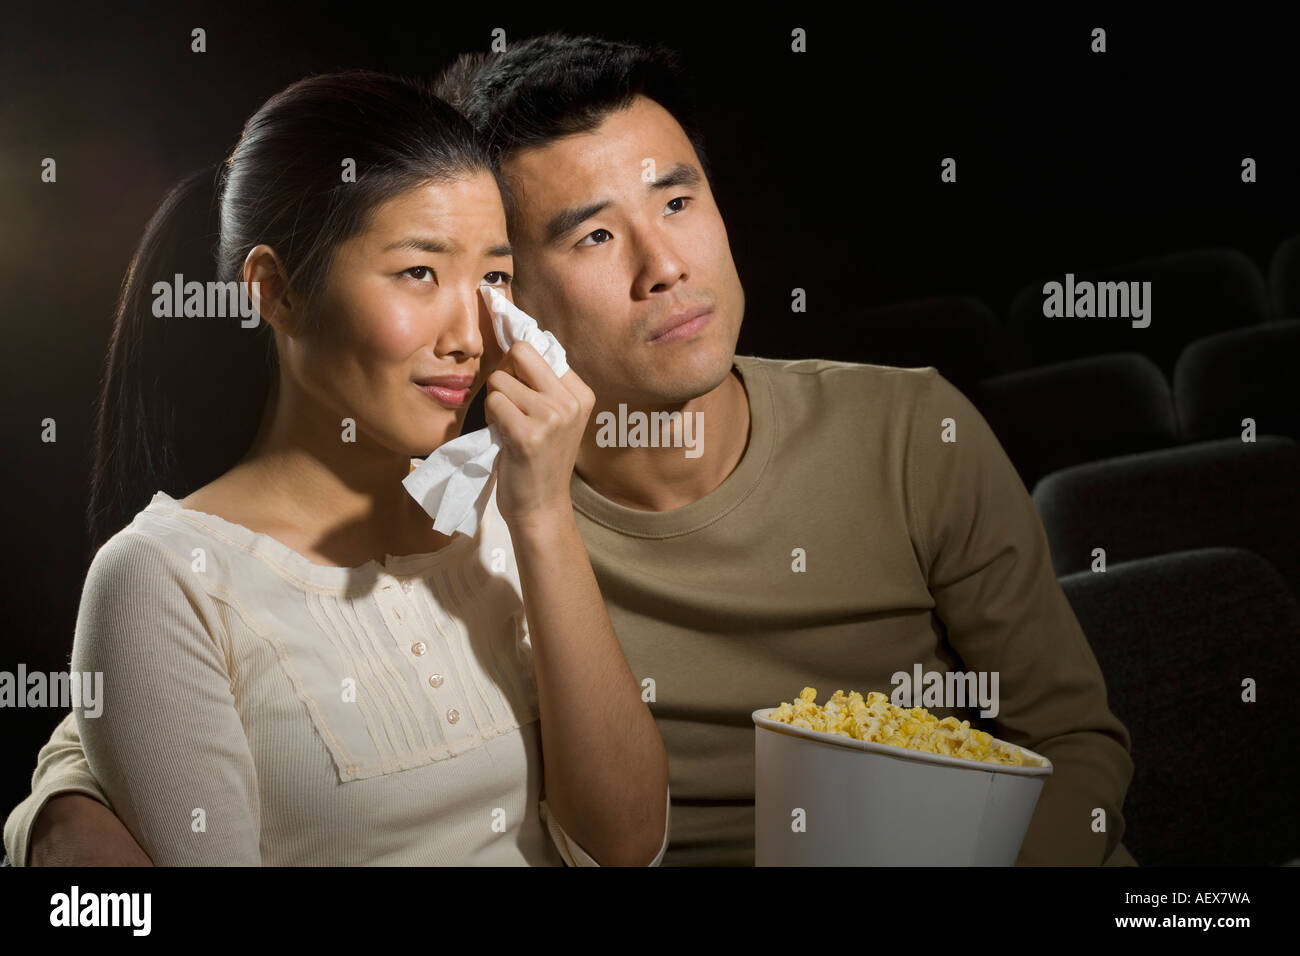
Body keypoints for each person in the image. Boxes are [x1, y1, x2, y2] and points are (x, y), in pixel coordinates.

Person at [8, 35, 1134, 867]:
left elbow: (1074, 739)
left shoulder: (910, 431)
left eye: (678, 200)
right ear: (519, 300)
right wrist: (55, 820)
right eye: (592, 234)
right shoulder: (473, 493)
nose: (664, 264)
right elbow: (162, 667)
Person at [2, 68, 668, 866]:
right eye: (419, 272)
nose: (469, 335)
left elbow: (628, 848)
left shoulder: (502, 507)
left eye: (493, 277)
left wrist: (542, 515)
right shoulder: (166, 577)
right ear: (278, 293)